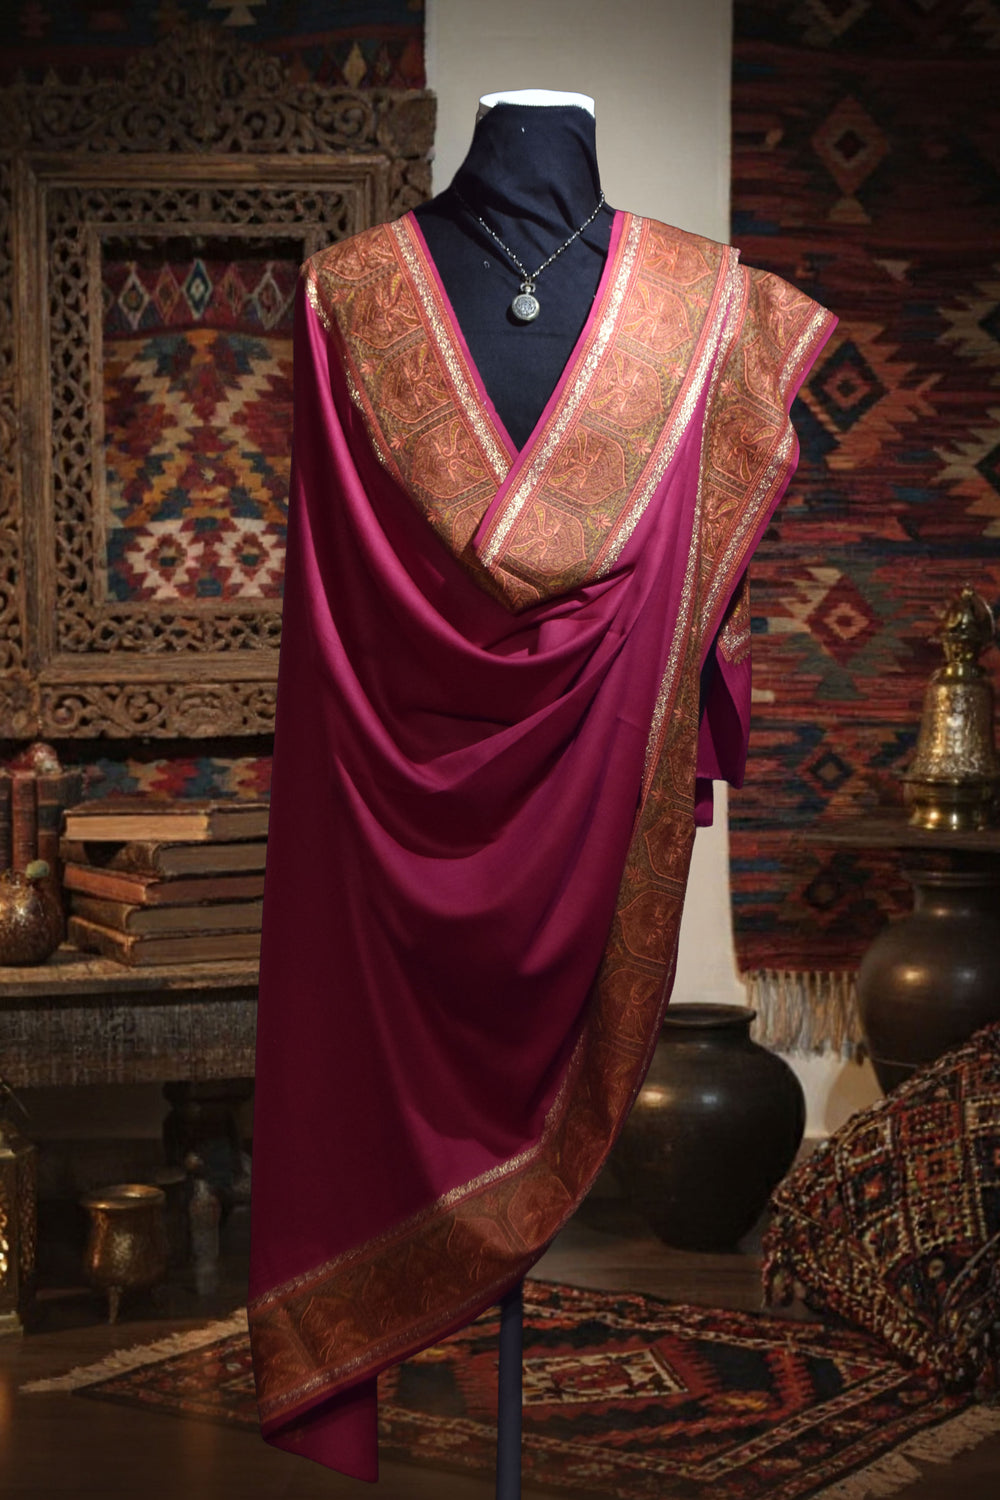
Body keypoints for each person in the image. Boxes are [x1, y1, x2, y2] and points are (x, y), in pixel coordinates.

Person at [248, 89, 837, 1481]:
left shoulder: (361, 293)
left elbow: (334, 602)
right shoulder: (694, 304)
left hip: (432, 783)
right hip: (474, 789)